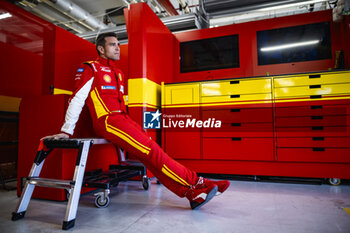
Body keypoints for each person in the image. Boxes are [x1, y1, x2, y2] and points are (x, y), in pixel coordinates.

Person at [43, 32, 230, 210]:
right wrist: (66, 130)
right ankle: (200, 182)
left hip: (124, 119)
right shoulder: (90, 68)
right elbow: (76, 99)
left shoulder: (118, 73)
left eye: (118, 44)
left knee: (151, 157)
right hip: (108, 121)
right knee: (154, 153)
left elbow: (121, 103)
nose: (117, 48)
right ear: (100, 49)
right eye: (112, 45)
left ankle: (191, 194)